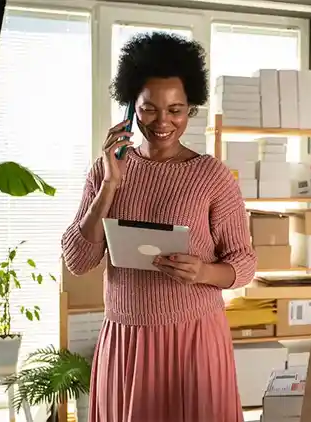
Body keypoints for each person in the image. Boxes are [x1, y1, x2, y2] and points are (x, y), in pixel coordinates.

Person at [61, 32, 257, 422]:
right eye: (150, 109)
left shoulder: (212, 175)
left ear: (191, 109)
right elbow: (78, 261)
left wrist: (204, 271)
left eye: (176, 110)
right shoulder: (106, 171)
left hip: (194, 338)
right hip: (127, 338)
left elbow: (244, 264)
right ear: (131, 108)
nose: (163, 122)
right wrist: (109, 185)